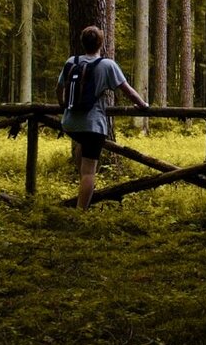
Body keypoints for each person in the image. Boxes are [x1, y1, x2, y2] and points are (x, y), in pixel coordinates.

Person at [57, 25, 148, 209]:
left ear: (83, 43)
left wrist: (63, 105)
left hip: (70, 123)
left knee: (82, 149)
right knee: (90, 171)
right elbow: (128, 91)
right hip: (93, 125)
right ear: (101, 43)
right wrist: (143, 105)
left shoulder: (71, 61)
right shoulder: (107, 65)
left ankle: (83, 185)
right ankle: (80, 212)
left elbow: (59, 88)